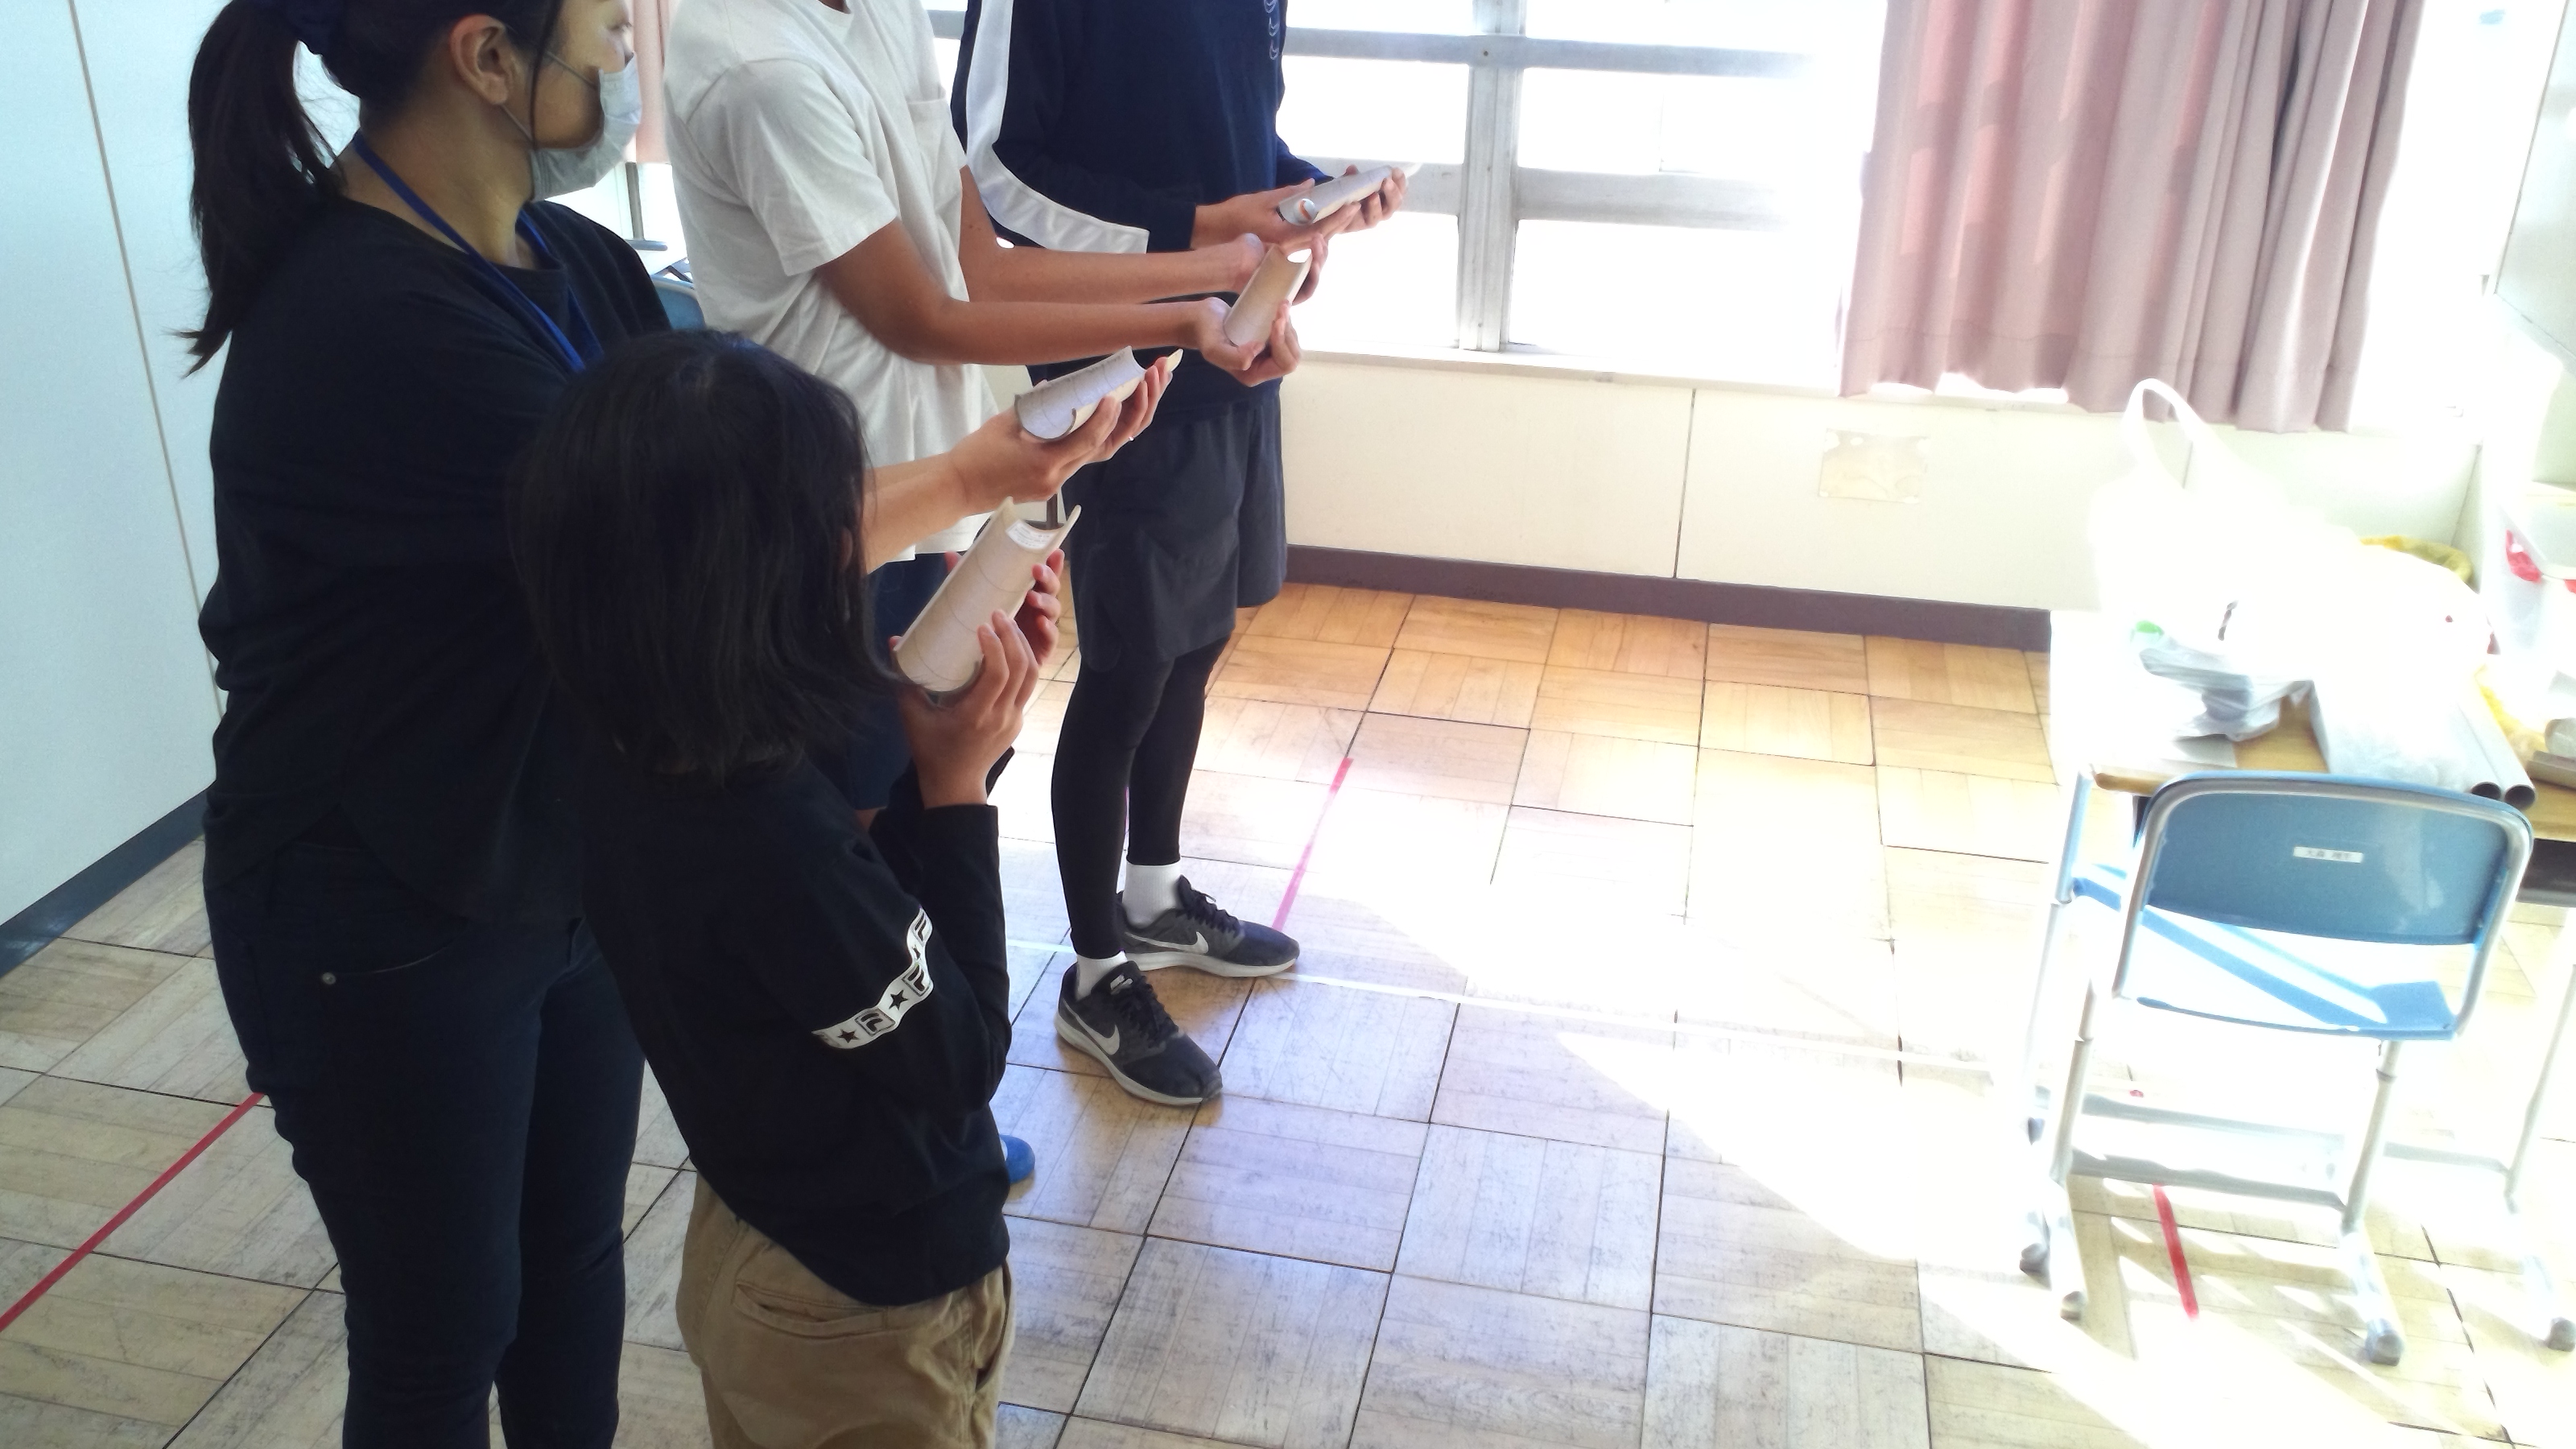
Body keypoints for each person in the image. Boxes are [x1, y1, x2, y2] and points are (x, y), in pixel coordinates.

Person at [183, 0, 1117, 1436]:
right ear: (486, 56)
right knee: (441, 1331)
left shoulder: (581, 263)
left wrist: (929, 666)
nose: (628, 56)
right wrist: (978, 469)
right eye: (607, 29)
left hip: (563, 852)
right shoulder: (369, 323)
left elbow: (702, 566)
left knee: (569, 1275)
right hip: (382, 900)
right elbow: (698, 548)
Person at [663, 0, 1305, 1112]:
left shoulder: (874, 16)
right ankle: (865, 1140)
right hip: (834, 527)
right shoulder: (759, 63)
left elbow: (981, 269)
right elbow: (922, 316)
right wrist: (1180, 310)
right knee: (847, 874)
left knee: (937, 807)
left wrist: (1203, 293)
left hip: (944, 502)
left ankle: (922, 1124)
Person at [514, 328, 1127, 1449]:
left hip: (757, 1241)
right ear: (761, 583)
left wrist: (932, 770)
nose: (861, 544)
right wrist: (956, 786)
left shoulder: (633, 744)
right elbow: (959, 1058)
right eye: (835, 525)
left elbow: (841, 941)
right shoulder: (769, 835)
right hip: (862, 1317)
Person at [952, 0, 1406, 1106]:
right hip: (1124, 366)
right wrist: (1201, 231)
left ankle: (1153, 897)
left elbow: (1225, 134)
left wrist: (1307, 198)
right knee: (1128, 667)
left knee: (1196, 642)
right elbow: (999, 173)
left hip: (1236, 347)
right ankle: (1094, 972)